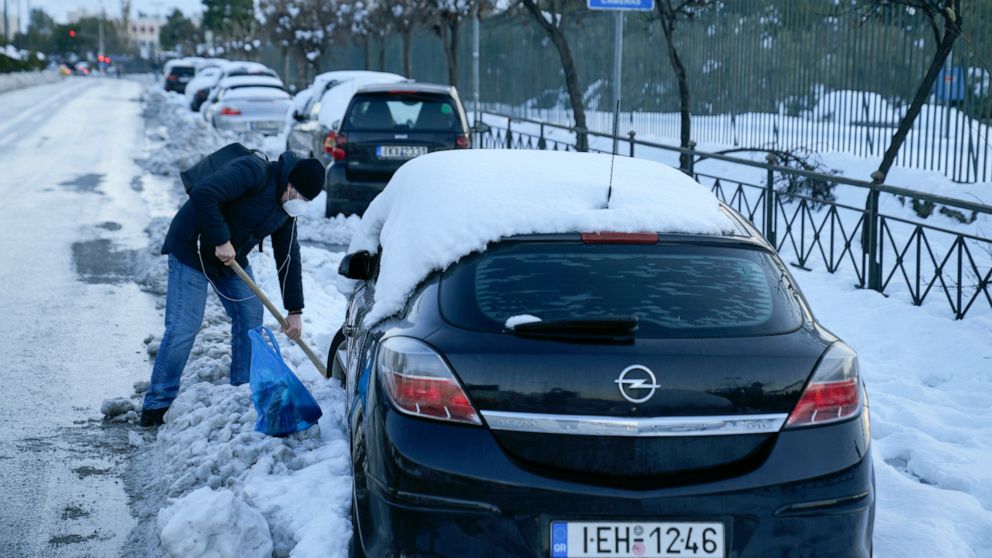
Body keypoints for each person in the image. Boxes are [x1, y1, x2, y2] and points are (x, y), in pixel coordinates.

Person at [140, 151, 326, 427]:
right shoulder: (254, 171)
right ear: (289, 183)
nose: (300, 204)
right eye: (300, 196)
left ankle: (241, 389)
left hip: (230, 259)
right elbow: (204, 194)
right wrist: (221, 238)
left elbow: (288, 257)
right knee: (184, 325)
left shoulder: (285, 212)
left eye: (307, 201)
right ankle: (157, 405)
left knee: (251, 313)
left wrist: (294, 309)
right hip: (193, 248)